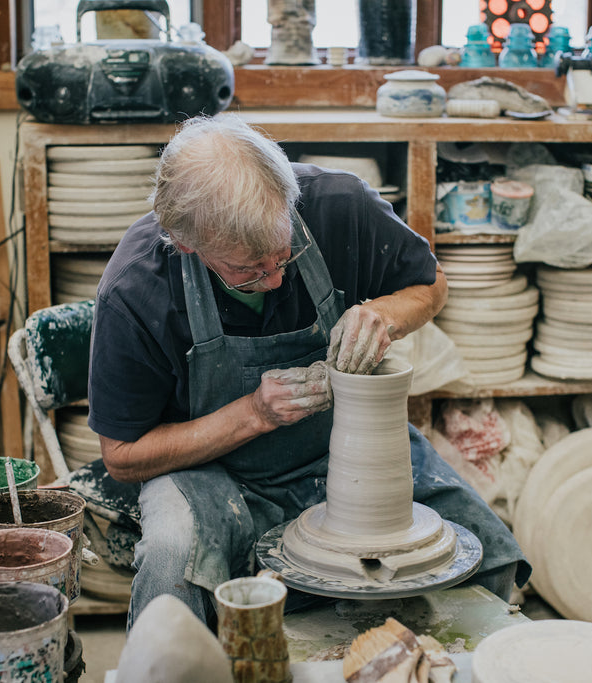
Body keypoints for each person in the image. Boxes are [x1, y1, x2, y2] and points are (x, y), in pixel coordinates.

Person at [88, 114, 530, 629]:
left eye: (284, 255)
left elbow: (430, 286)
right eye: (250, 271)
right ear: (188, 244)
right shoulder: (136, 290)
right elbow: (122, 457)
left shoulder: (338, 206)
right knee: (170, 559)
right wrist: (253, 413)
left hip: (344, 447)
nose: (276, 280)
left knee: (486, 549)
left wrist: (385, 314)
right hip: (210, 472)